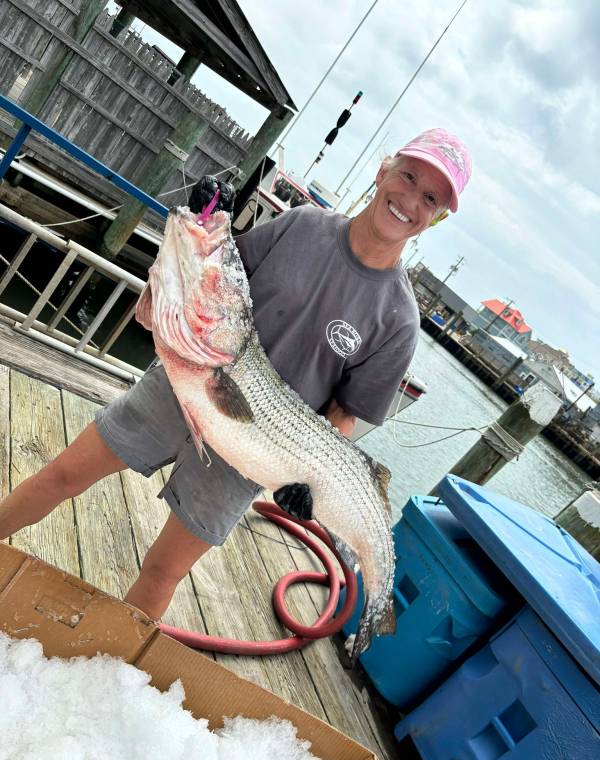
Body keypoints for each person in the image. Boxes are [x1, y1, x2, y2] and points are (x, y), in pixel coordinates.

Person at [0, 128, 471, 620]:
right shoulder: (303, 225)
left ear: (435, 218)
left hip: (258, 446)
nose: (410, 199)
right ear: (383, 172)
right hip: (183, 383)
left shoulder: (399, 320)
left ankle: (107, 661)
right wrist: (207, 223)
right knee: (61, 475)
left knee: (163, 570)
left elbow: (345, 415)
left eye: (430, 197)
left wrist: (306, 482)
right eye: (409, 176)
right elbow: (220, 277)